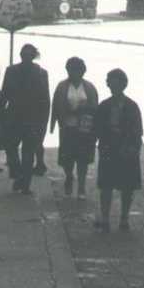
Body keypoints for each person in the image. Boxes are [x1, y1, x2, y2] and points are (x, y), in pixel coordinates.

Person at [93, 68, 143, 232]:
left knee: (127, 188)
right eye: (110, 81)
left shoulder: (132, 106)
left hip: (126, 151)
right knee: (106, 187)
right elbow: (97, 129)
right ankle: (106, 218)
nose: (112, 84)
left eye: (115, 81)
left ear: (123, 84)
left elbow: (138, 131)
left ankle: (124, 218)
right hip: (109, 150)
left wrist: (132, 148)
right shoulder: (104, 106)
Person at [1, 43, 50, 195]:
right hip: (19, 117)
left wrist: (44, 122)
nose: (26, 57)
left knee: (25, 152)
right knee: (14, 149)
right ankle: (20, 176)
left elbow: (45, 99)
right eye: (24, 54)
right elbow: (5, 94)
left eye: (28, 55)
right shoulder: (12, 71)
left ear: (33, 56)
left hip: (29, 118)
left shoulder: (41, 73)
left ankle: (24, 182)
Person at [50, 57, 99, 198]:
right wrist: (53, 125)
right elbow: (55, 106)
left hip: (85, 129)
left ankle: (82, 187)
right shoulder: (62, 86)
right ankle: (69, 176)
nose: (73, 73)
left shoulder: (89, 87)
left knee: (83, 159)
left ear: (82, 71)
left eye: (76, 70)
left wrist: (85, 110)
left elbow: (95, 107)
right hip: (67, 127)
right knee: (67, 158)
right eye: (70, 69)